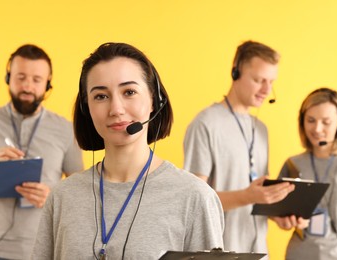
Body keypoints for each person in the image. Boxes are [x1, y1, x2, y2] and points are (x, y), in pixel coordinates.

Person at [31, 42, 224, 260]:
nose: (116, 109)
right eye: (101, 96)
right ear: (87, 108)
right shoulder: (63, 197)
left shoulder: (195, 197)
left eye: (129, 92)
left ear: (154, 99)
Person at [0, 44, 84, 259]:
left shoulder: (67, 129)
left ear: (48, 85)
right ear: (8, 78)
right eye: (20, 77)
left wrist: (52, 196)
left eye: (36, 80)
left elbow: (80, 194)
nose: (27, 87)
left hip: (44, 252)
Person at [183, 40, 295, 254]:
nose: (266, 90)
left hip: (259, 253)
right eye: (258, 80)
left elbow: (257, 197)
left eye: (271, 82)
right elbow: (194, 203)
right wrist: (249, 196)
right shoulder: (205, 124)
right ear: (235, 72)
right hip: (220, 254)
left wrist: (277, 212)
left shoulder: (261, 129)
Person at [273, 88, 337, 259]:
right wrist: (283, 220)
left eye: (326, 122)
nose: (317, 129)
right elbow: (274, 210)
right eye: (311, 120)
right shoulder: (293, 164)